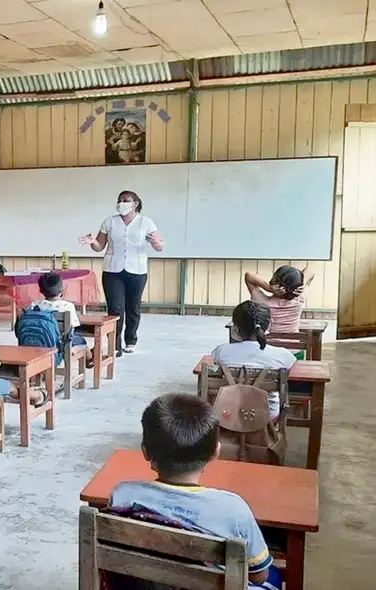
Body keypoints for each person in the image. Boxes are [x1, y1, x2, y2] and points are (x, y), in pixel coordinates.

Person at [110, 394, 282, 589]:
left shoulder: (122, 495)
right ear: (216, 452)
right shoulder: (234, 509)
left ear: (145, 452)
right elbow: (258, 576)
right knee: (273, 576)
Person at [79, 190, 164, 356]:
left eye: (126, 200)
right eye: (120, 200)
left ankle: (131, 340)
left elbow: (159, 246)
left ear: (135, 204)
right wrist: (92, 242)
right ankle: (114, 345)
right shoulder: (109, 222)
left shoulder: (146, 222)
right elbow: (99, 246)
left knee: (133, 307)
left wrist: (156, 242)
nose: (121, 203)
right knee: (114, 308)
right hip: (112, 270)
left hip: (137, 270)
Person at [213, 301, 296, 421]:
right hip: (267, 415)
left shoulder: (221, 352)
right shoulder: (284, 356)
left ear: (235, 327)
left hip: (229, 415)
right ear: (268, 325)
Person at [29, 272, 93, 367]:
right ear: (62, 290)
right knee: (81, 341)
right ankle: (90, 359)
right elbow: (72, 329)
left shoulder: (35, 305)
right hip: (61, 344)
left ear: (41, 291)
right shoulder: (68, 306)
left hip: (39, 341)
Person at [244, 265, 314, 335]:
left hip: (269, 344)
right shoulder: (299, 300)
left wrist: (268, 288)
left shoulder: (262, 302)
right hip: (293, 344)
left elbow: (249, 276)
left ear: (274, 283)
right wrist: (302, 284)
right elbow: (310, 270)